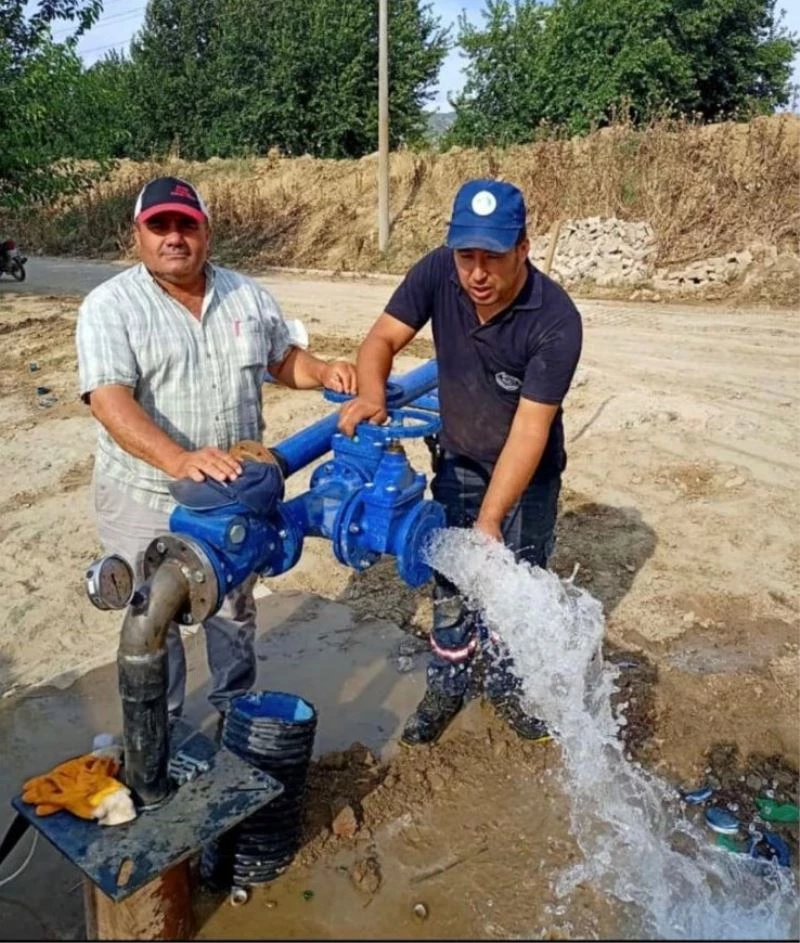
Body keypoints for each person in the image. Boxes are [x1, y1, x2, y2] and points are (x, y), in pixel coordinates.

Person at [76, 176, 357, 722]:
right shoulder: (110, 306)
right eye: (160, 226)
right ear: (138, 234)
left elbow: (281, 360)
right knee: (152, 618)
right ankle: (162, 729)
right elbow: (109, 400)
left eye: (187, 225)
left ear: (206, 231)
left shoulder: (246, 296)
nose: (174, 237)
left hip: (231, 497)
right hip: (146, 496)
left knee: (231, 607)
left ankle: (234, 709)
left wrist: (323, 369)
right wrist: (178, 459)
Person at [339, 179, 582, 746]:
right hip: (458, 458)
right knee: (450, 581)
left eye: (492, 258)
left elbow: (529, 430)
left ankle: (507, 685)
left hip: (527, 474)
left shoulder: (555, 321)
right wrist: (374, 391)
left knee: (514, 578)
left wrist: (491, 519)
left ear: (523, 248)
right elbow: (381, 338)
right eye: (466, 256)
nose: (476, 273)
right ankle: (448, 682)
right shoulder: (437, 272)